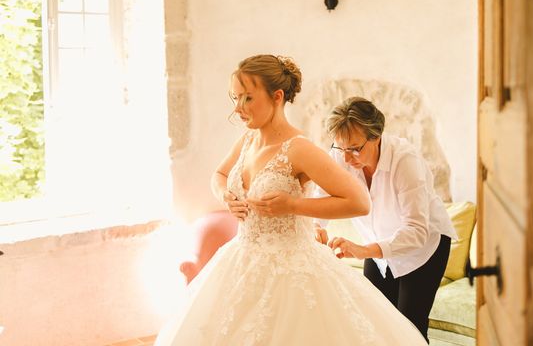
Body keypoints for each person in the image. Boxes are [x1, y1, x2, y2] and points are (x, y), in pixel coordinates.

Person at [154, 55, 428, 346]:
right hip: (240, 260)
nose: (238, 108)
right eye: (235, 98)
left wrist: (293, 206)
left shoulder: (299, 148)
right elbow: (219, 175)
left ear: (277, 97)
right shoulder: (248, 141)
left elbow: (359, 201)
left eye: (247, 98)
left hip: (291, 272)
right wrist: (226, 196)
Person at [314, 97, 458, 343]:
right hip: (379, 243)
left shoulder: (405, 162)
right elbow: (322, 197)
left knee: (409, 328)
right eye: (341, 148)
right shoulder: (342, 154)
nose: (347, 159)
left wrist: (362, 250)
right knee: (375, 322)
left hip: (424, 249)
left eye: (355, 149)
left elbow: (416, 230)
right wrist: (317, 227)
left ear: (377, 136)